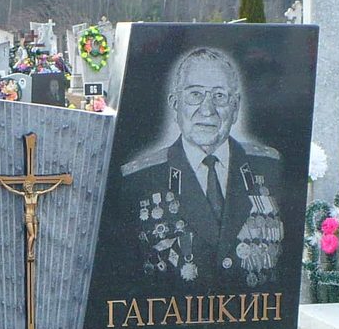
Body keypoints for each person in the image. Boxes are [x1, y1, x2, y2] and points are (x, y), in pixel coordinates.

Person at [119, 46, 285, 290]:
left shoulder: (272, 168)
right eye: (195, 94)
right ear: (175, 104)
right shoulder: (138, 180)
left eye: (219, 96)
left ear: (235, 107)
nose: (207, 110)